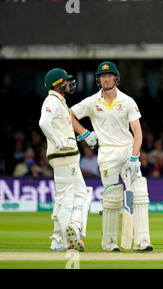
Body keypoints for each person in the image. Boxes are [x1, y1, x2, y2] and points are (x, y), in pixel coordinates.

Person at [70, 61, 153, 252]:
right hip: (107, 154)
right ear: (99, 80)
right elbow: (70, 115)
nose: (106, 79)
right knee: (112, 199)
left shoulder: (127, 101)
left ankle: (142, 241)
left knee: (138, 195)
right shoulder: (92, 102)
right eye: (103, 76)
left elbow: (137, 133)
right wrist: (84, 133)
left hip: (127, 150)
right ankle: (109, 243)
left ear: (115, 78)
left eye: (109, 76)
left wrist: (134, 158)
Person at [39, 68, 91, 252]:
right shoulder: (52, 101)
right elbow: (43, 122)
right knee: (81, 195)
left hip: (65, 156)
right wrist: (57, 141)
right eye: (66, 81)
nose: (70, 83)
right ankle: (74, 228)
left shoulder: (59, 101)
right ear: (58, 84)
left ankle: (59, 239)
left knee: (63, 197)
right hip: (64, 155)